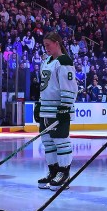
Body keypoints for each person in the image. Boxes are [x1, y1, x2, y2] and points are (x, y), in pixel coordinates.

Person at [34, 32, 76, 191]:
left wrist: (65, 106)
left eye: (48, 45)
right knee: (47, 142)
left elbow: (69, 86)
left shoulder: (64, 61)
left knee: (61, 141)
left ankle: (64, 173)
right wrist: (39, 104)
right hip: (46, 109)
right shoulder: (46, 61)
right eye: (44, 45)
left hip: (58, 108)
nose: (46, 48)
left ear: (57, 43)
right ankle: (53, 171)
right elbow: (44, 86)